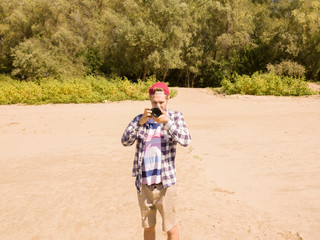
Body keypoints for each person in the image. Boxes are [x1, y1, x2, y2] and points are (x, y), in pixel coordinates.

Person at [121, 82, 191, 240]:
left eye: (161, 102)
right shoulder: (140, 119)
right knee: (148, 227)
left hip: (166, 183)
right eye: (154, 102)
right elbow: (125, 141)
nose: (158, 106)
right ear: (150, 100)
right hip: (144, 184)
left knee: (170, 227)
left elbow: (186, 140)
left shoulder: (175, 117)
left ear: (168, 99)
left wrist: (167, 123)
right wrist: (139, 124)